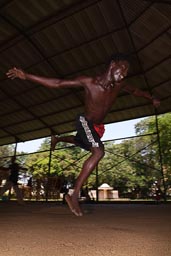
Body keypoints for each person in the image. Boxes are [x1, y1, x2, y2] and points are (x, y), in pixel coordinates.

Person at [6, 53, 160, 216]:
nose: (124, 74)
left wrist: (151, 98)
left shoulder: (119, 85)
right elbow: (58, 83)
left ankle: (58, 139)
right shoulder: (89, 82)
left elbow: (135, 90)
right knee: (98, 151)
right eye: (123, 68)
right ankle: (73, 195)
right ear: (112, 64)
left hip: (97, 127)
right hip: (85, 121)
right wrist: (27, 76)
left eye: (127, 71)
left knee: (82, 142)